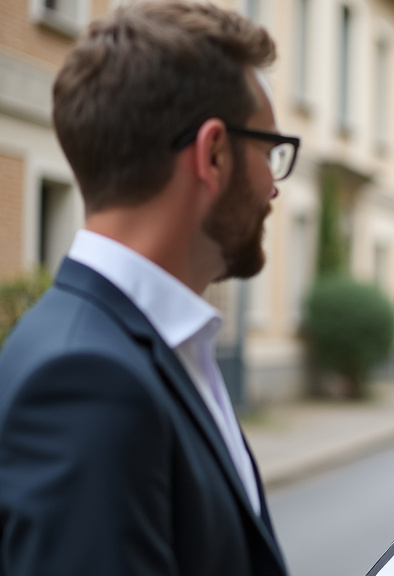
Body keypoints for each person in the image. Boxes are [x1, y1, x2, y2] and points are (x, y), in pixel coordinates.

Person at [0, 2, 300, 574]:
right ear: (213, 153)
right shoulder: (87, 379)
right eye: (271, 150)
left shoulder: (144, 344)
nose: (274, 187)